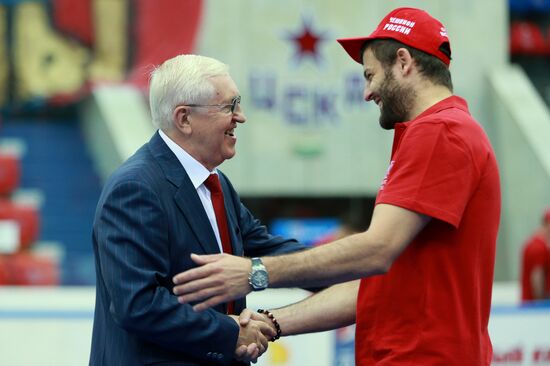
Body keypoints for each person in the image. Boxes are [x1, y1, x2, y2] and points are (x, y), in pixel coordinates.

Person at [173, 7, 501, 365]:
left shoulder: (439, 132)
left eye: (370, 75)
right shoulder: (443, 131)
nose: (367, 92)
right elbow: (371, 287)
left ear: (404, 62)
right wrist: (269, 323)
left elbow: (376, 249)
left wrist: (254, 273)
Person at [89, 54, 307, 366]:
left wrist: (355, 270)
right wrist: (230, 333)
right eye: (229, 106)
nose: (241, 116)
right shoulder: (135, 188)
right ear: (184, 119)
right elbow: (138, 304)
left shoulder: (215, 184)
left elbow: (269, 250)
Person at [521, 208, 550, 302]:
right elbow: (537, 277)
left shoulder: (534, 243)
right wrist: (542, 304)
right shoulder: (538, 248)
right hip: (534, 307)